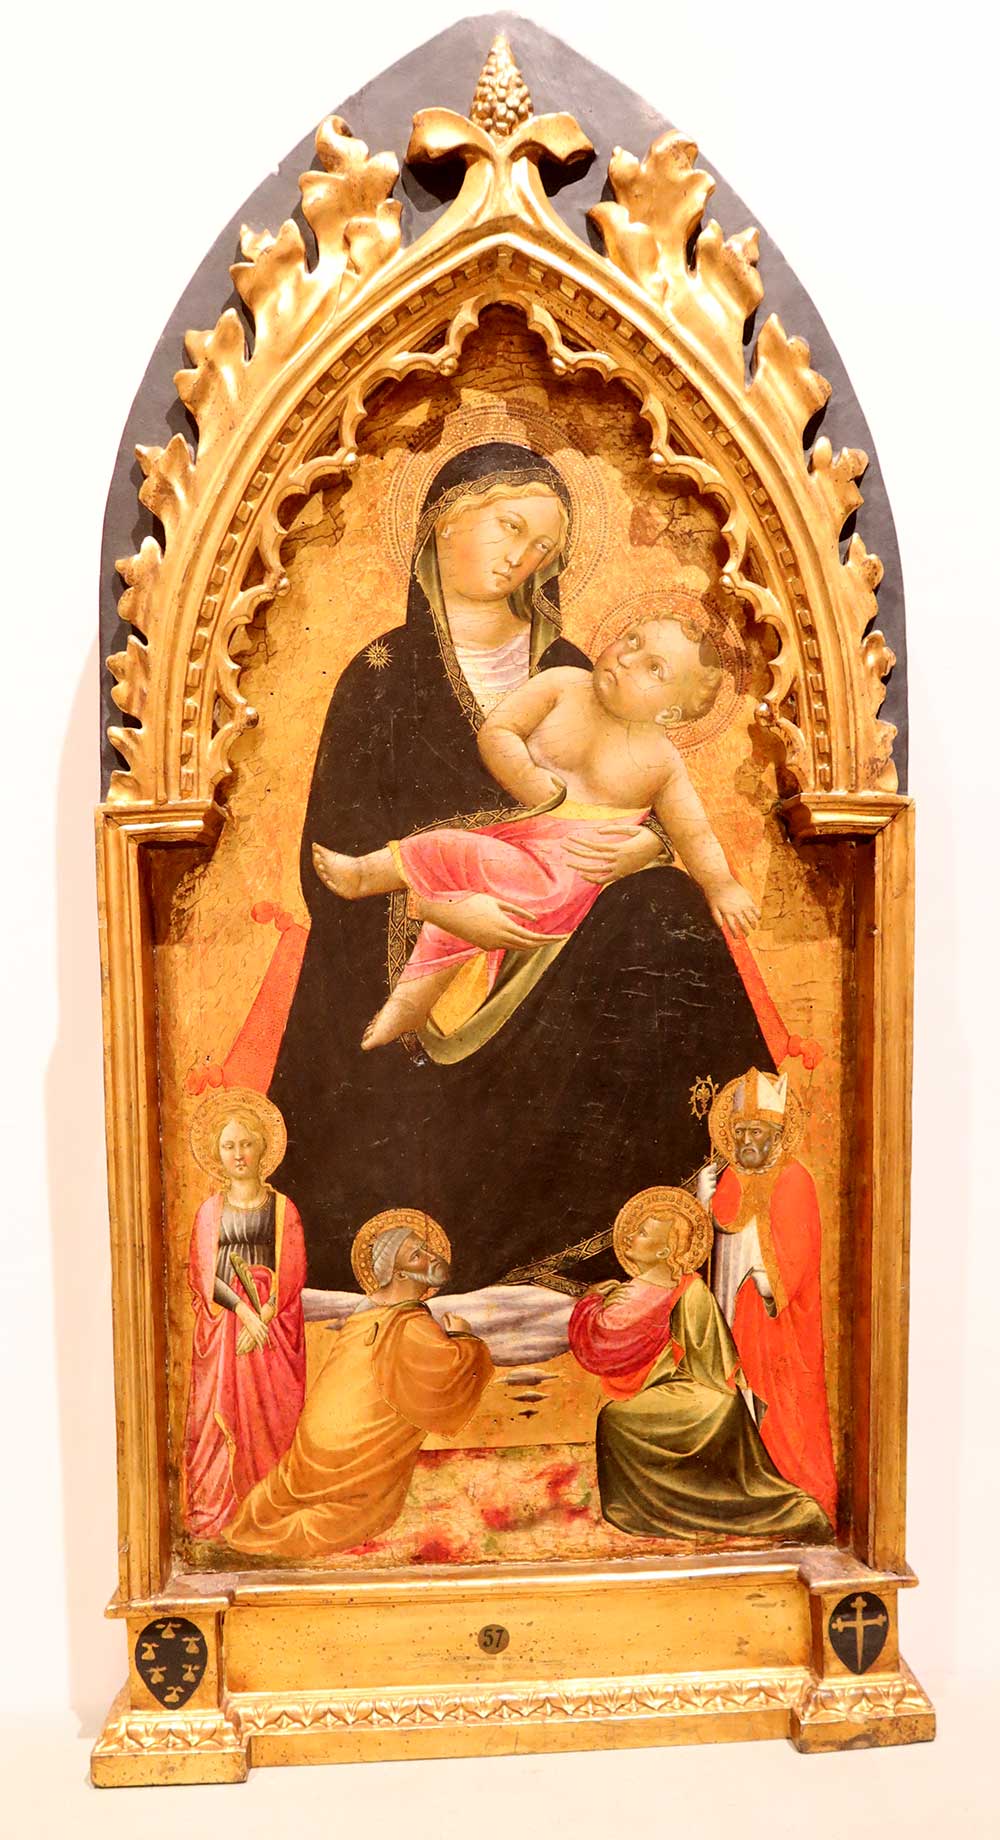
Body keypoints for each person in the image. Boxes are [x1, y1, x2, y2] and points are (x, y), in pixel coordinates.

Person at [267, 441, 775, 1292]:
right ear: (442, 519)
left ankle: (698, 1191)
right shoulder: (381, 676)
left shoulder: (571, 666)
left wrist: (647, 849)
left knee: (667, 908)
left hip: (559, 943)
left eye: (543, 547)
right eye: (510, 527)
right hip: (424, 947)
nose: (521, 558)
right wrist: (443, 910)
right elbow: (332, 850)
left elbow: (642, 800)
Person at [314, 615, 759, 1047]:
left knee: (450, 850)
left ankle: (366, 876)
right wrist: (526, 777)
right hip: (518, 840)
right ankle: (411, 1005)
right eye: (632, 640)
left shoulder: (662, 763)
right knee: (458, 907)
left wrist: (720, 884)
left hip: (558, 880)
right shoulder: (563, 684)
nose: (626, 658)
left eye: (654, 668)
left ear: (672, 712)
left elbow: (693, 833)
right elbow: (499, 730)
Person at [568, 1187, 831, 1541]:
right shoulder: (639, 1289)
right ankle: (651, 1505)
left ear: (664, 1251)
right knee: (615, 1417)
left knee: (615, 1418)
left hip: (703, 1396)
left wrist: (589, 1304)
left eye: (642, 1233)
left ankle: (658, 1507)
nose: (630, 1236)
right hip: (678, 1390)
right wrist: (596, 1304)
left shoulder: (688, 1292)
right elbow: (610, 1346)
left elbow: (611, 1342)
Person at [226, 1213, 493, 1559]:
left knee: (289, 1490)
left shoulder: (364, 1313)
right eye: (417, 1255)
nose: (431, 1257)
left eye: (426, 1248)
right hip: (351, 1451)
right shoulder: (410, 1323)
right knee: (362, 1512)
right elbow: (453, 1374)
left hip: (313, 1444)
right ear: (399, 1274)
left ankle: (265, 1513)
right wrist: (463, 1337)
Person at [701, 1069, 837, 1526]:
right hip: (734, 1309)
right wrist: (704, 1201)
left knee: (780, 1407)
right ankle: (743, 1484)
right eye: (740, 1132)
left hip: (776, 1320)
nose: (746, 1142)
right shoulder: (730, 1178)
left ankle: (785, 1487)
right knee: (735, 1393)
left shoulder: (795, 1179)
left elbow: (798, 1257)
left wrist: (762, 1283)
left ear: (777, 1134)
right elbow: (719, 1236)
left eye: (755, 1132)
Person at [182, 1088, 306, 1540]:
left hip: (272, 1330)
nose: (238, 1154)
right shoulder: (209, 1211)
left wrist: (265, 1315)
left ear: (262, 1149)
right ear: (217, 1154)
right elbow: (203, 1272)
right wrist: (244, 1313)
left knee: (270, 1417)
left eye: (246, 1143)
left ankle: (266, 1507)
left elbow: (292, 1269)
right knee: (218, 1419)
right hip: (225, 1330)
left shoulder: (283, 1208)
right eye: (229, 1145)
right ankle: (220, 1512)